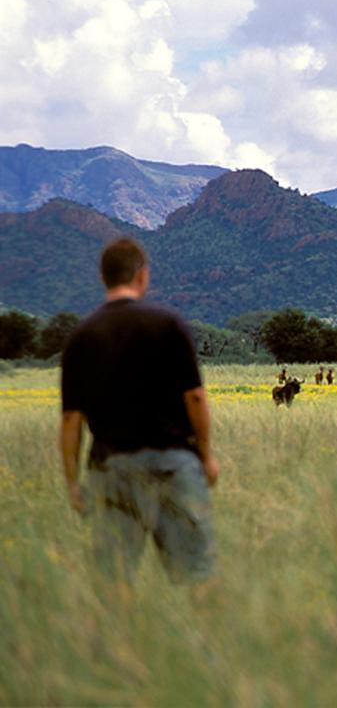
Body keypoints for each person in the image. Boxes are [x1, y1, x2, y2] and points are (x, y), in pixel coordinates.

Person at [59, 237, 220, 584]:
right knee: (195, 576)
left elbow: (72, 420)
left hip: (111, 467)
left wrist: (73, 482)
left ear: (104, 278)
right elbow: (195, 398)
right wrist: (206, 455)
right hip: (173, 465)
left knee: (114, 579)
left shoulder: (81, 336)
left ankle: (120, 639)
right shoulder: (168, 324)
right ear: (142, 275)